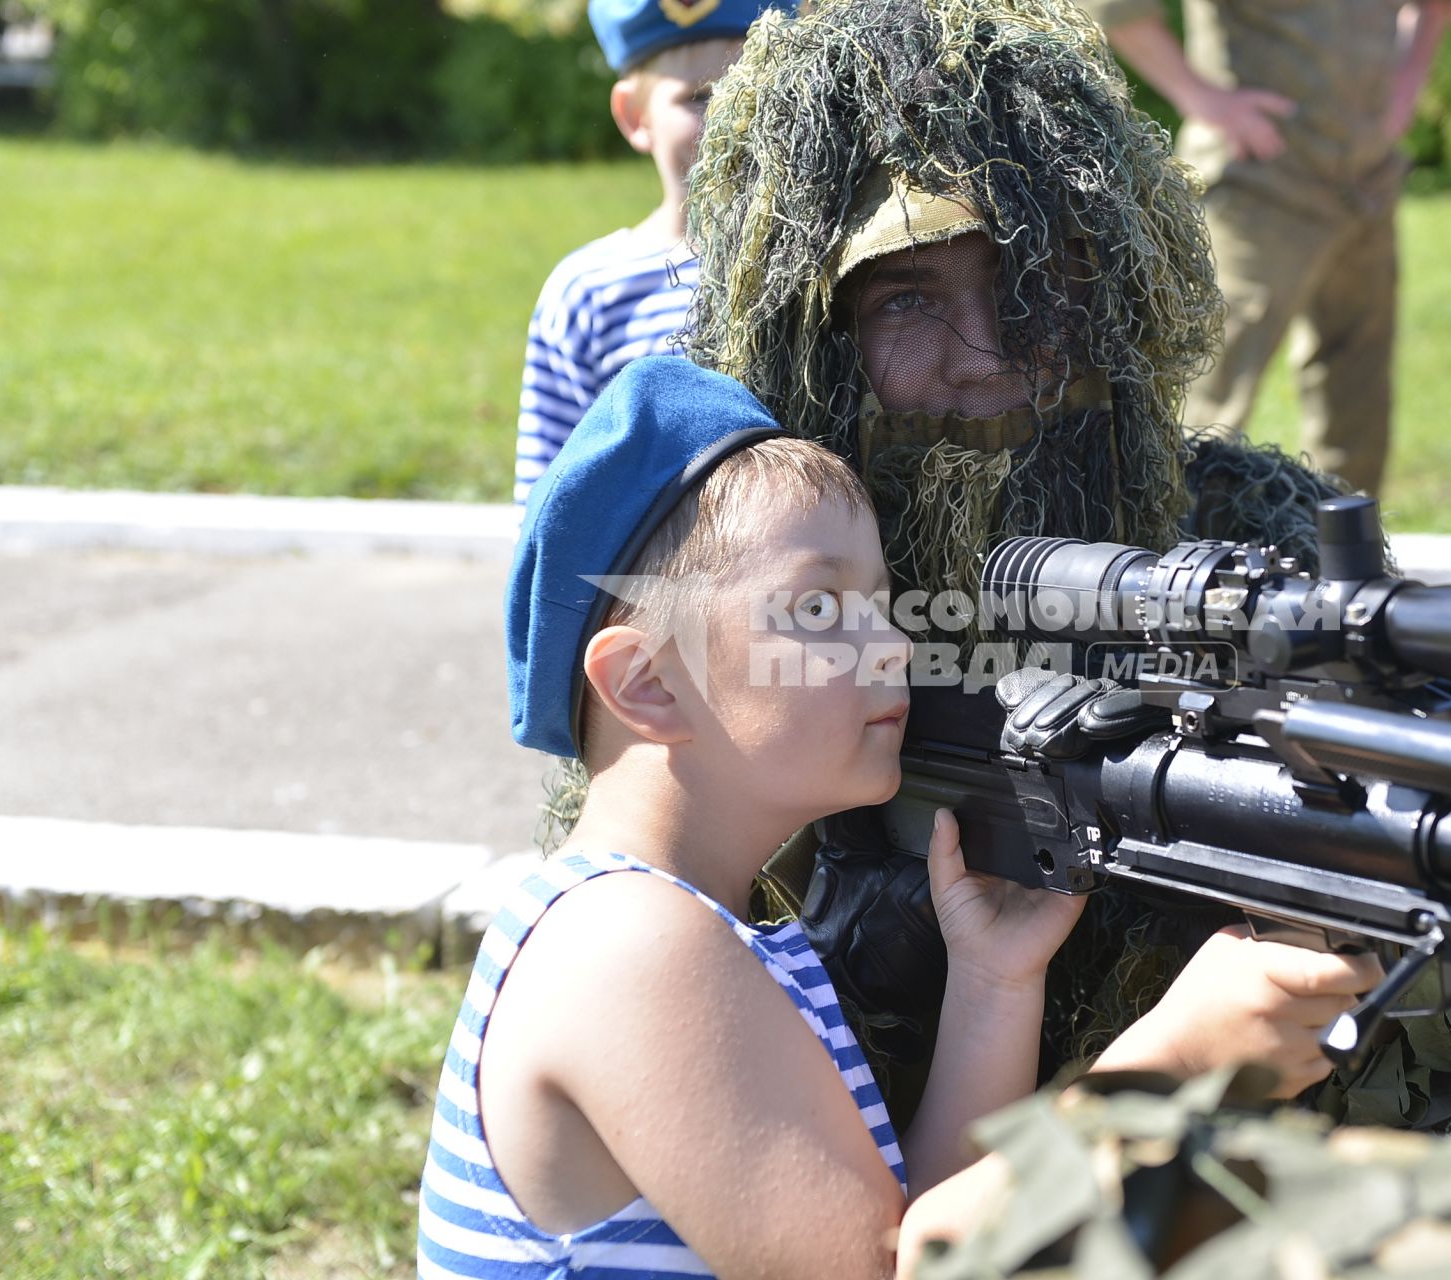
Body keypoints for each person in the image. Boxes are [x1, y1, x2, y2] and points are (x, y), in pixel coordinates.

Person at [418, 356, 1380, 1277]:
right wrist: (1167, 1068)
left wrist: (993, 984)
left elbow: (899, 1223)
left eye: (881, 605)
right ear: (649, 683)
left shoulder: (665, 925)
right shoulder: (631, 947)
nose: (890, 646)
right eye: (820, 609)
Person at [671, 0, 1376, 1114]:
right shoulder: (749, 601)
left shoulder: (1246, 537)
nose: (990, 362)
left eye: (1034, 286)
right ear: (819, 346)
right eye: (908, 298)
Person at [1081, 0, 1451, 497]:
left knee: (1357, 395)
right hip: (1258, 179)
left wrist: (1410, 79)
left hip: (1365, 178)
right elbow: (1113, 9)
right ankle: (1171, 552)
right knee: (1204, 394)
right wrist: (1202, 98)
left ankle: (1347, 558)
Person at [512, 0, 788, 507]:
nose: (734, 118)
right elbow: (548, 500)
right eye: (700, 97)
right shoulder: (592, 289)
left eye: (756, 89)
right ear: (636, 116)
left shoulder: (814, 264)